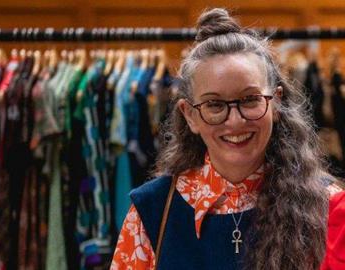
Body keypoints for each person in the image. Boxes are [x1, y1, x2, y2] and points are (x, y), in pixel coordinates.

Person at [111, 8, 343, 270]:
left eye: (250, 99)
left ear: (276, 103)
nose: (234, 121)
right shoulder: (152, 211)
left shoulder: (330, 209)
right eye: (214, 104)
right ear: (190, 116)